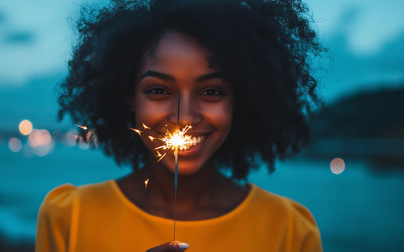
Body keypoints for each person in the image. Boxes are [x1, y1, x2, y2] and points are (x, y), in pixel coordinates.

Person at [35, 0, 324, 251]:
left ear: (240, 100)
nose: (184, 117)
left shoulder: (289, 231)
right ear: (129, 97)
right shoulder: (69, 217)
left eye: (211, 91)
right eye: (158, 90)